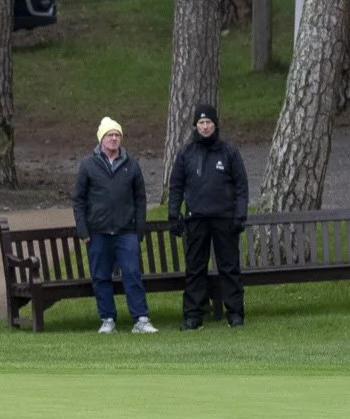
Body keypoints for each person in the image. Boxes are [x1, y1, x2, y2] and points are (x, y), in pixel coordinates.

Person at [72, 116, 158, 335]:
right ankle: (107, 318)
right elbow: (79, 199)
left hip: (125, 231)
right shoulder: (88, 165)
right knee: (101, 276)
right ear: (101, 138)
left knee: (132, 274)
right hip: (98, 232)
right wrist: (83, 230)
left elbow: (140, 198)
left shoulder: (132, 164)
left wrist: (139, 229)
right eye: (110, 135)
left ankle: (140, 318)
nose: (113, 139)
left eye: (117, 135)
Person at [168, 102, 250, 330]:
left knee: (229, 267)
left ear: (215, 125)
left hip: (225, 218)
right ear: (195, 125)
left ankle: (235, 313)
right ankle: (194, 315)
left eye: (209, 122)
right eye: (201, 123)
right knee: (195, 268)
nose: (205, 127)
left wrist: (240, 214)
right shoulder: (186, 154)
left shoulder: (229, 152)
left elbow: (241, 186)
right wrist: (174, 215)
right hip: (196, 219)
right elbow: (176, 186)